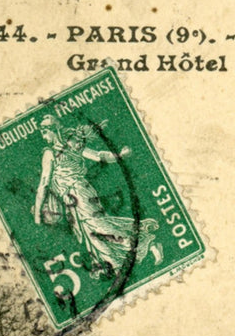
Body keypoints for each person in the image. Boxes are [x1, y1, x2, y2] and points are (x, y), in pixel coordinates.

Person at [32, 115, 159, 280]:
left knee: (99, 227)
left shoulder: (50, 153)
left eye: (44, 132)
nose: (43, 137)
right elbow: (99, 155)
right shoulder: (73, 145)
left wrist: (37, 215)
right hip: (76, 196)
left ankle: (145, 243)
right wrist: (118, 156)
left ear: (53, 130)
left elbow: (44, 183)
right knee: (90, 233)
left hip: (77, 194)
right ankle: (116, 264)